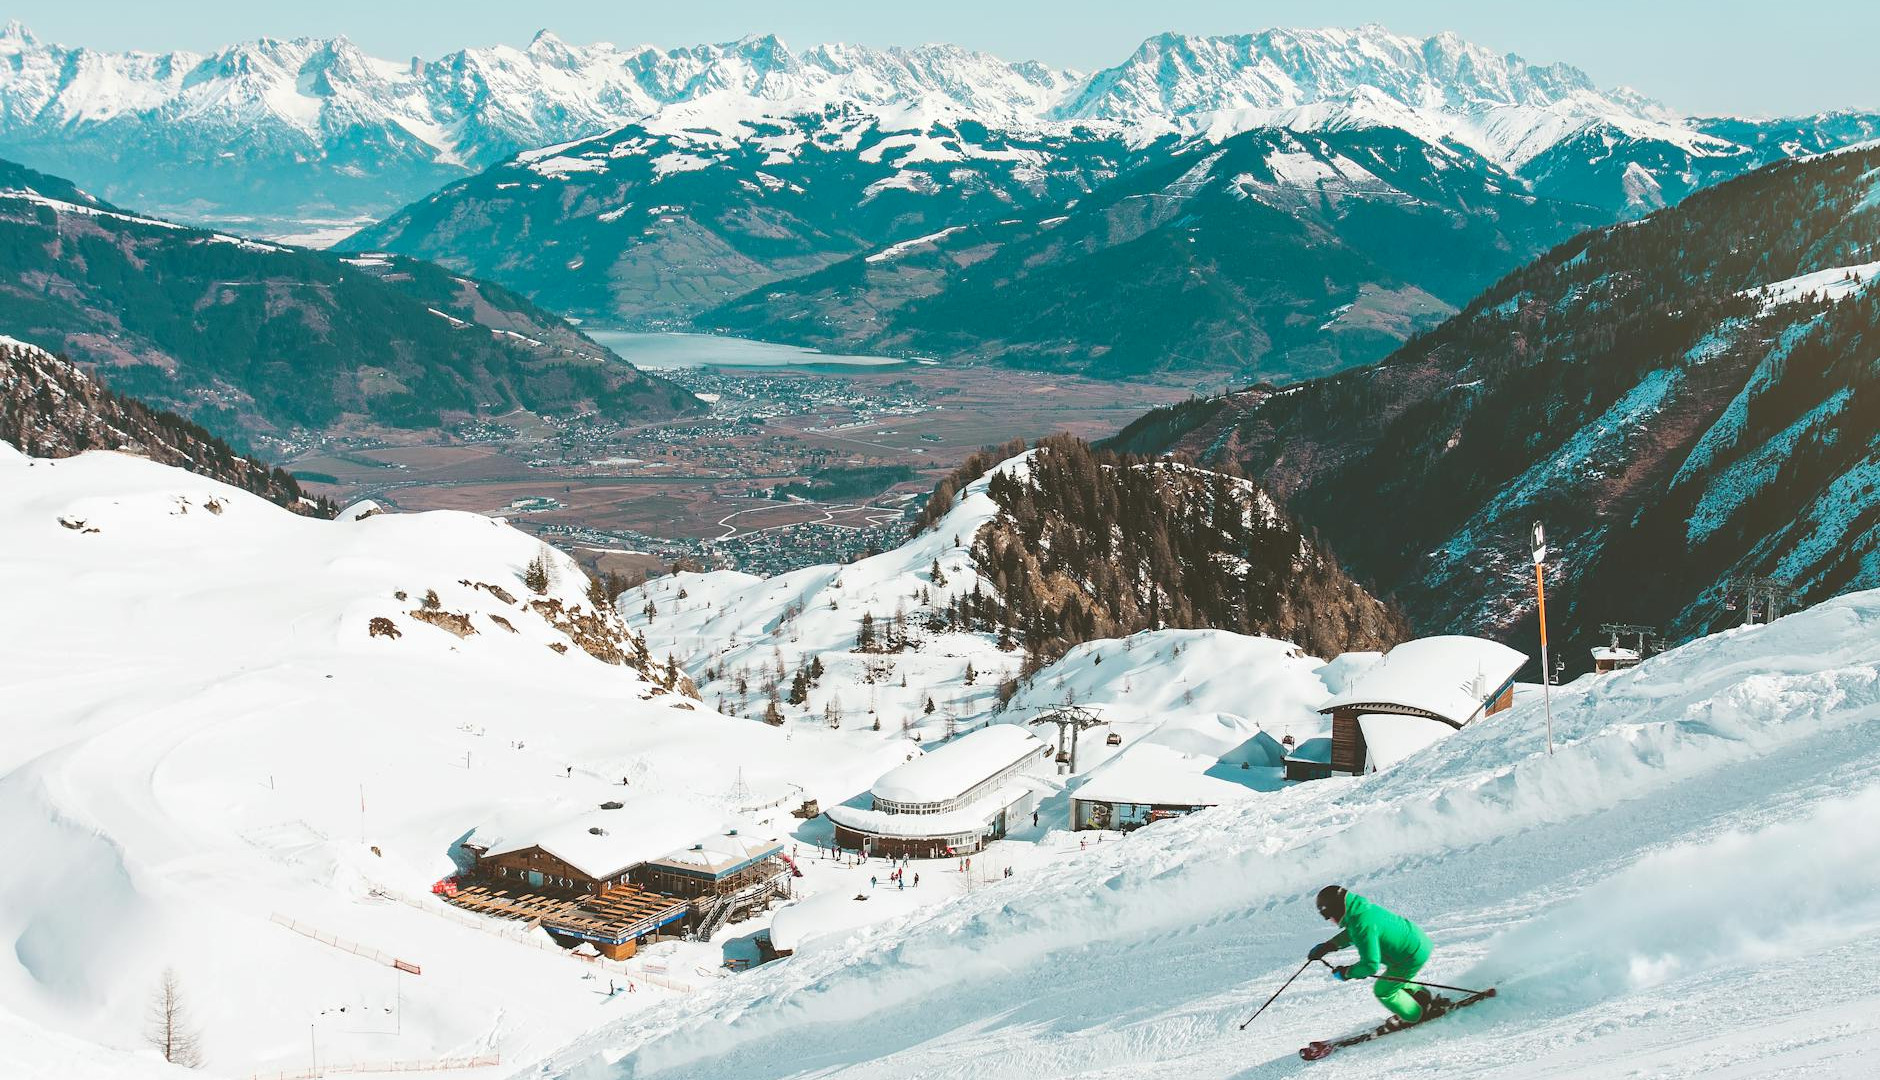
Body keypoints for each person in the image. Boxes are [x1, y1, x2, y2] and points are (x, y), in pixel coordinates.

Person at [1307, 885, 1434, 1027]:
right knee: (1394, 978)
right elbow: (1353, 933)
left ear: (1337, 910)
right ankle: (1421, 996)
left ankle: (1416, 1015)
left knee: (1383, 990)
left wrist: (1346, 973)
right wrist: (1329, 945)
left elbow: (1370, 965)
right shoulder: (1361, 911)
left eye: (1330, 917)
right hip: (1417, 942)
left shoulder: (1362, 924)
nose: (1332, 921)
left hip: (1410, 956)